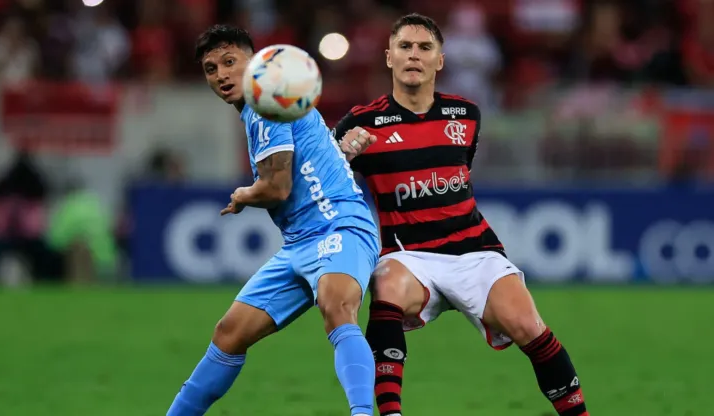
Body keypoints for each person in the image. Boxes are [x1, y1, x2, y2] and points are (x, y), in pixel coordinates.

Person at [336, 13, 588, 416]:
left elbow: (458, 170)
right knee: (386, 288)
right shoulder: (361, 123)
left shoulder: (466, 115)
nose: (413, 55)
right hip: (410, 255)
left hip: (475, 251)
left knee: (528, 326)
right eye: (404, 47)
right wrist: (342, 155)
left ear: (440, 60)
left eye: (424, 48)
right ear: (388, 58)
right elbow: (319, 184)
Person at [167, 25, 380, 416]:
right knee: (229, 334)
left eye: (231, 62)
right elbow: (310, 165)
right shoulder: (273, 102)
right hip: (299, 243)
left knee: (336, 309)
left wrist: (243, 194)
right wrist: (341, 153)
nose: (222, 75)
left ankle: (363, 413)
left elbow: (277, 187)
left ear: (255, 62)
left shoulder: (266, 105)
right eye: (211, 69)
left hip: (339, 228)